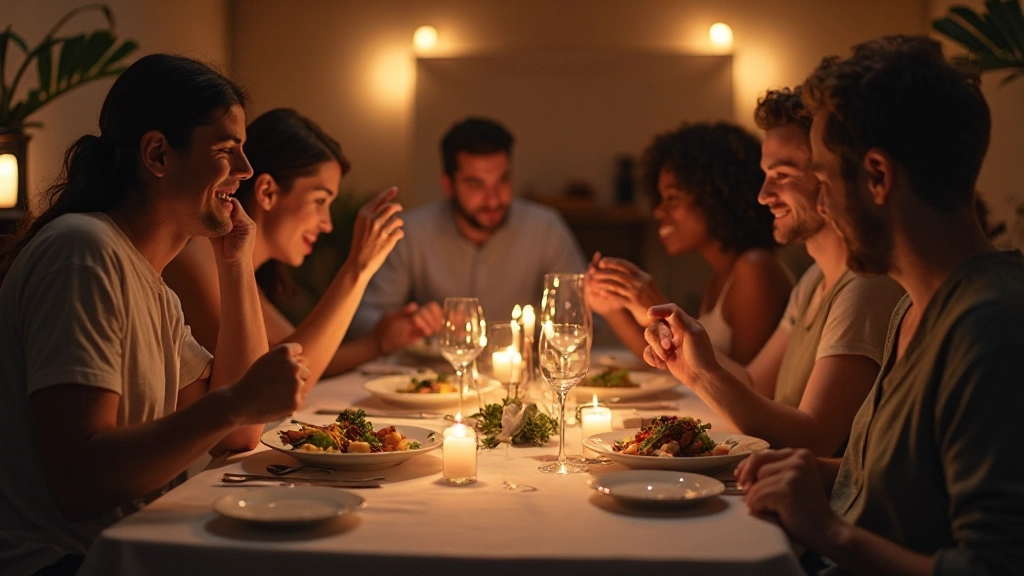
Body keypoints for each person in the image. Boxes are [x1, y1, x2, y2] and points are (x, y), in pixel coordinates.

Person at [648, 36, 1024, 575]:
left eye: (822, 178)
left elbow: (991, 568)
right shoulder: (912, 308)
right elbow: (889, 480)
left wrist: (830, 533)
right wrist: (805, 472)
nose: (821, 204)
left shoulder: (991, 329)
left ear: (878, 178)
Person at [0, 55, 309, 576]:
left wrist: (235, 266)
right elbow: (79, 481)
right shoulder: (82, 251)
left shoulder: (154, 289)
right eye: (226, 150)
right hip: (60, 563)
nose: (246, 170)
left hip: (126, 550)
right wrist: (235, 403)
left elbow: (239, 433)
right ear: (158, 154)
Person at [598, 90, 904, 457]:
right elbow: (754, 382)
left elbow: (816, 439)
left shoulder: (865, 287)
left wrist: (702, 372)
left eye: (782, 175)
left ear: (829, 176)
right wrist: (694, 367)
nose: (763, 195)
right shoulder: (814, 281)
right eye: (765, 176)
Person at [165, 109, 431, 385]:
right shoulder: (198, 258)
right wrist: (357, 269)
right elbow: (278, 383)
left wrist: (380, 341)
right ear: (267, 192)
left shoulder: (245, 276)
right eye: (320, 201)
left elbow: (301, 358)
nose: (327, 224)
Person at [349, 117, 586, 334]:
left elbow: (582, 314)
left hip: (526, 365)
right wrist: (405, 324)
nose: (493, 199)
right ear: (448, 185)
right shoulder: (412, 232)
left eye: (502, 181)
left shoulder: (545, 228)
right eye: (476, 185)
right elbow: (364, 318)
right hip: (438, 365)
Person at [585, 122, 793, 363]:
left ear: (716, 196)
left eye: (673, 198)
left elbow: (744, 380)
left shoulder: (755, 267)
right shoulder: (721, 276)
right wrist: (612, 308)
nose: (659, 211)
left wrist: (660, 310)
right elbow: (668, 361)